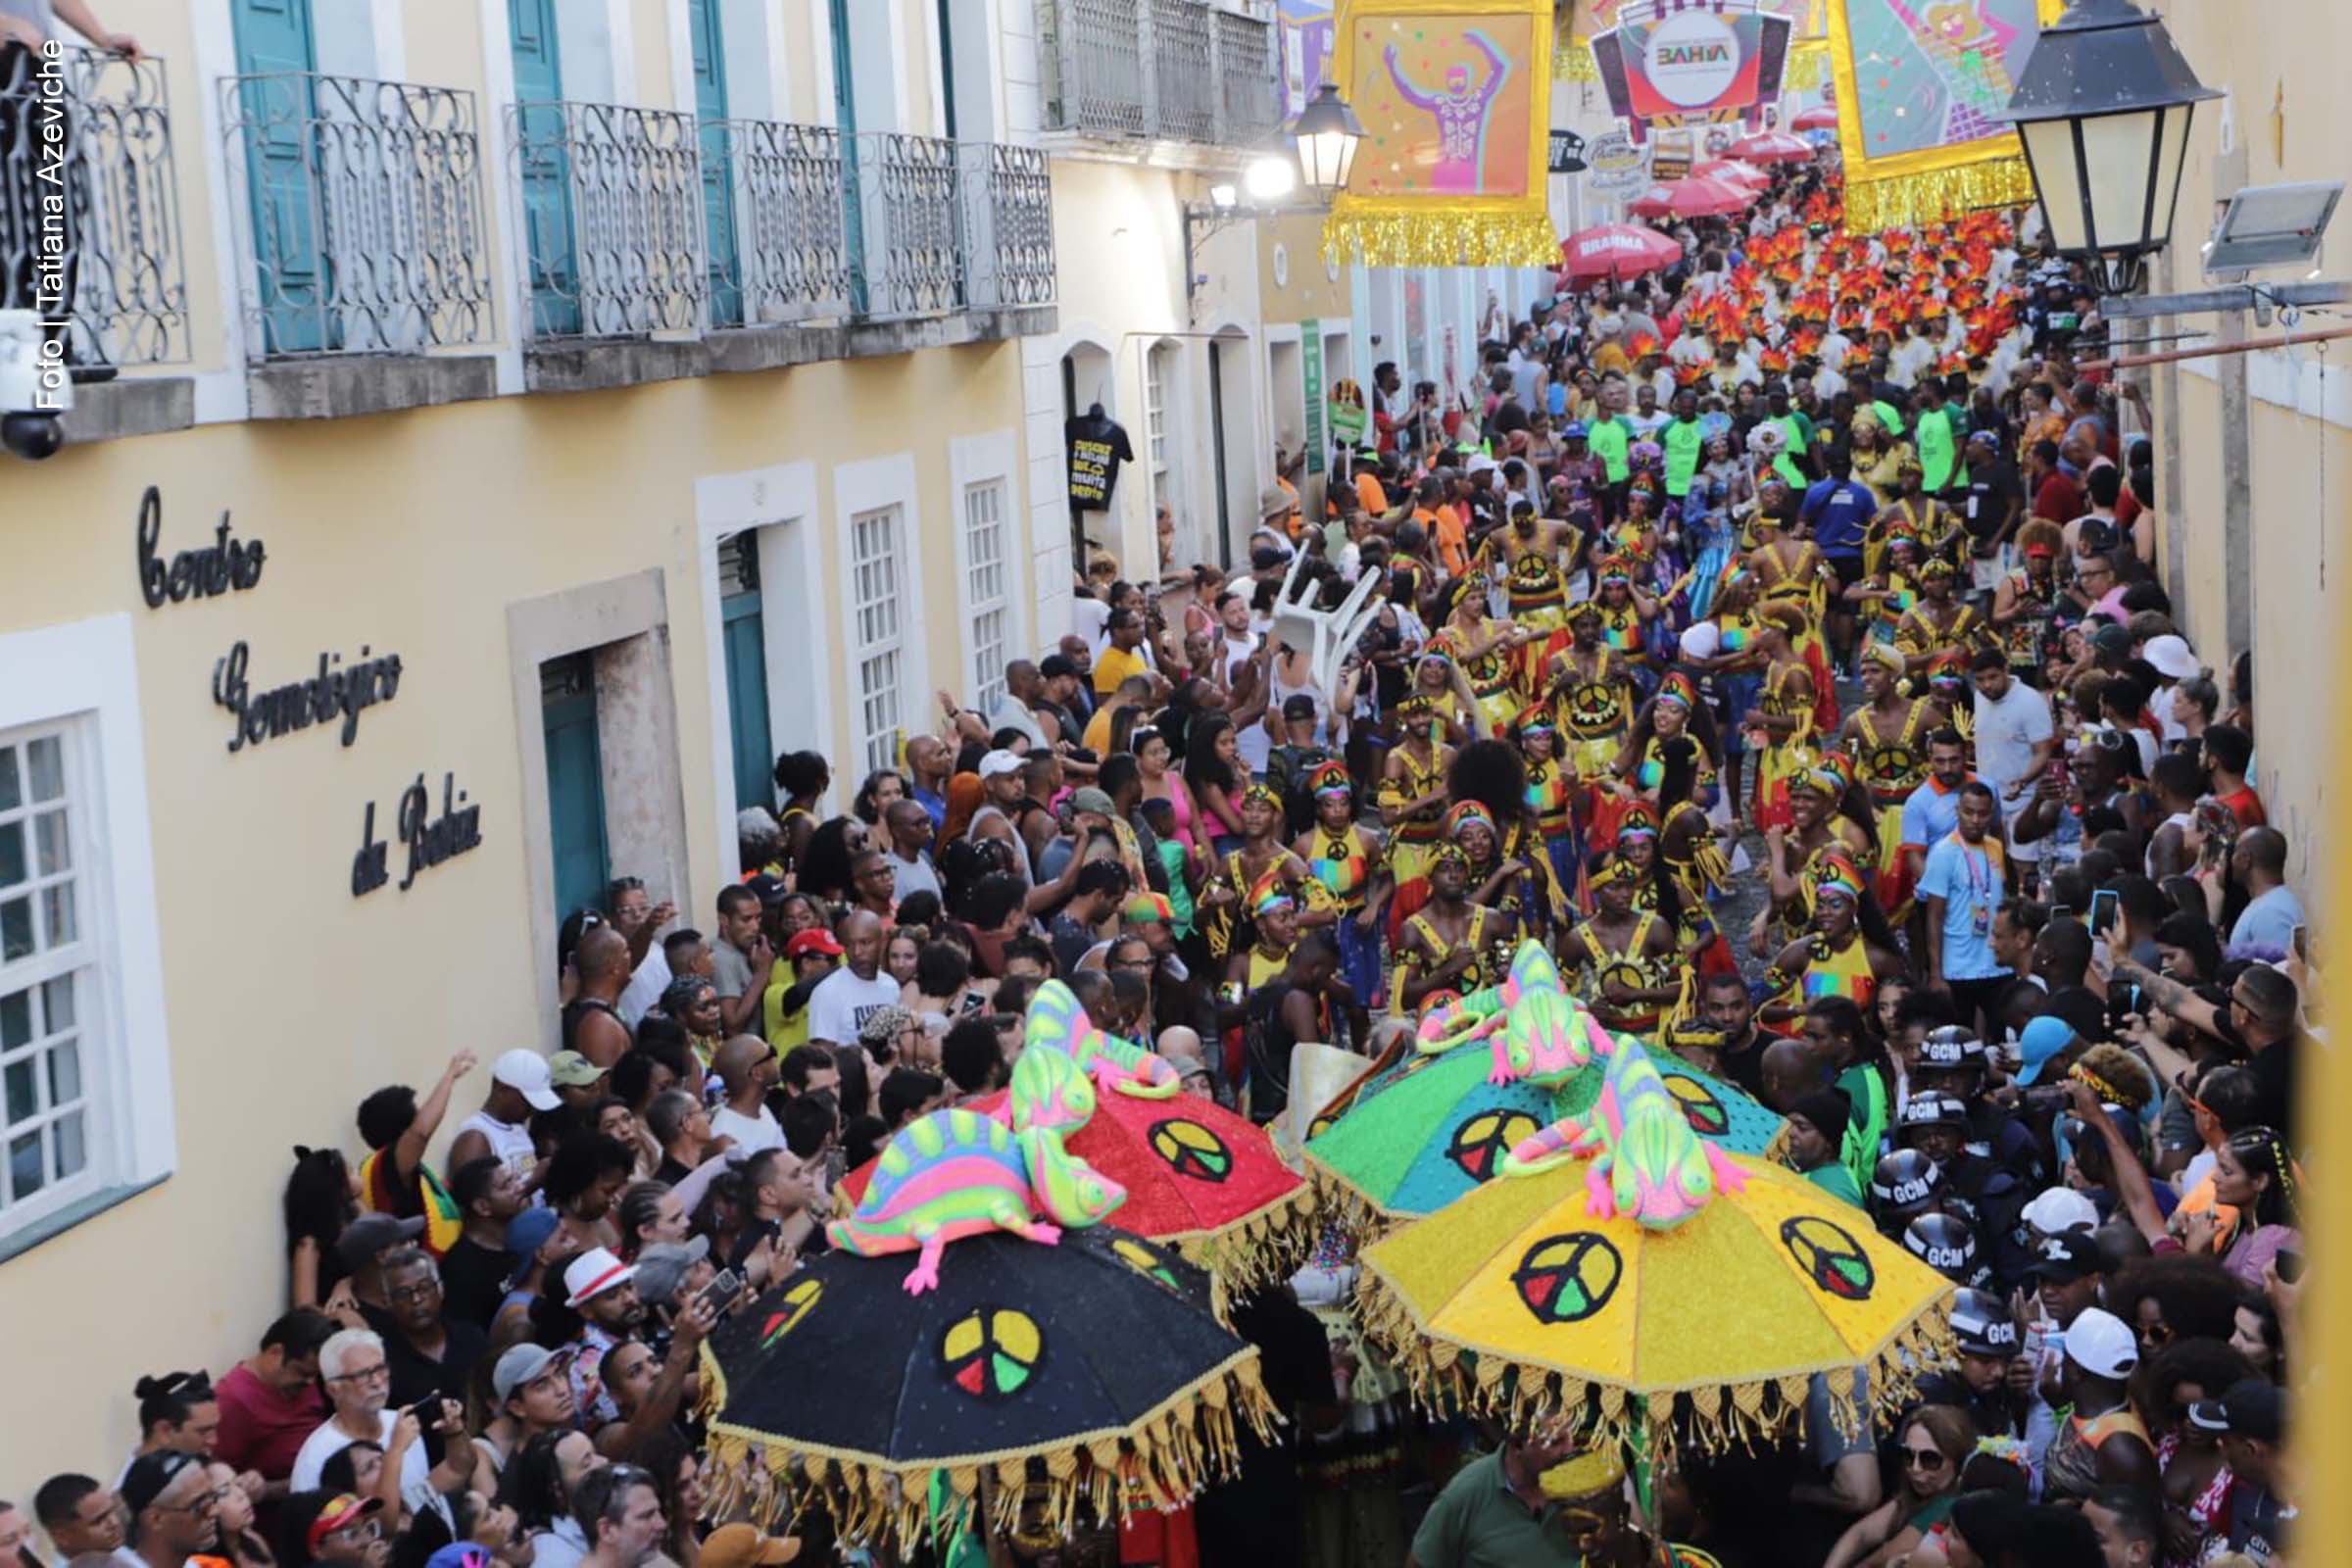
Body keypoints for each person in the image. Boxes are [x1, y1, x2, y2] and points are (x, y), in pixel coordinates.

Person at [1404, 1424, 1590, 1568]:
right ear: (1517, 1445)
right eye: (1555, 1442)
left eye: (1571, 1437)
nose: (1569, 1449)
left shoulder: (1584, 1484)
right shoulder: (1465, 1495)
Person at [1823, 1404, 1976, 1568]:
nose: (1915, 1469)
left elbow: (1879, 1560)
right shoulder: (1919, 1494)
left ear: (1959, 1460)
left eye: (1930, 1459)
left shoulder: (1949, 1505)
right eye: (1909, 1456)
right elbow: (1860, 1534)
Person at [216, 1312, 337, 1502]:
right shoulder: (234, 1399)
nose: (310, 1382)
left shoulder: (302, 1382)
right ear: (275, 1352)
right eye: (303, 1372)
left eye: (316, 1375)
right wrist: (265, 1489)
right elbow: (221, 1482)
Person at [1918, 782, 2008, 1029]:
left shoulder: (1996, 847)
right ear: (1957, 810)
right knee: (1960, 1037)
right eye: (1969, 812)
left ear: (1991, 813)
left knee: (2000, 1035)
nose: (1975, 820)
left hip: (1996, 965)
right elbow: (1933, 916)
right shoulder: (1943, 852)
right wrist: (1936, 974)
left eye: (1983, 813)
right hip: (1957, 967)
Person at [446, 1052, 561, 1188]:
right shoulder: (476, 1139)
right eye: (528, 1101)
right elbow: (476, 1204)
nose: (533, 1110)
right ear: (503, 1089)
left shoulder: (516, 1127)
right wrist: (532, 1183)